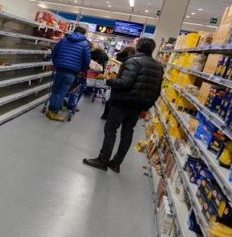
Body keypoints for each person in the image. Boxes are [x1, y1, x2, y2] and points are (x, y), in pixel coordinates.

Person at [83, 37, 163, 173]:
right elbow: (157, 91)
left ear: (138, 47)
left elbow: (125, 83)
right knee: (127, 134)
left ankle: (102, 160)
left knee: (110, 130)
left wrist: (109, 81)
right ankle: (116, 163)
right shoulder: (158, 66)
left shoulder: (133, 61)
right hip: (138, 106)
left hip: (123, 102)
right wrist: (145, 108)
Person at [47, 26, 91, 122]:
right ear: (84, 34)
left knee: (55, 90)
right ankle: (54, 113)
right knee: (62, 92)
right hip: (72, 72)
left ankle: (50, 110)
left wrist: (56, 64)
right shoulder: (85, 44)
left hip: (59, 69)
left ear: (74, 31)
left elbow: (54, 52)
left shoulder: (63, 40)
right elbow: (87, 60)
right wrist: (82, 70)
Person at [100, 46, 136, 120]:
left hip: (113, 79)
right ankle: (112, 116)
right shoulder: (130, 60)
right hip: (121, 80)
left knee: (110, 97)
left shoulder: (118, 57)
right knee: (115, 99)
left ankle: (105, 114)